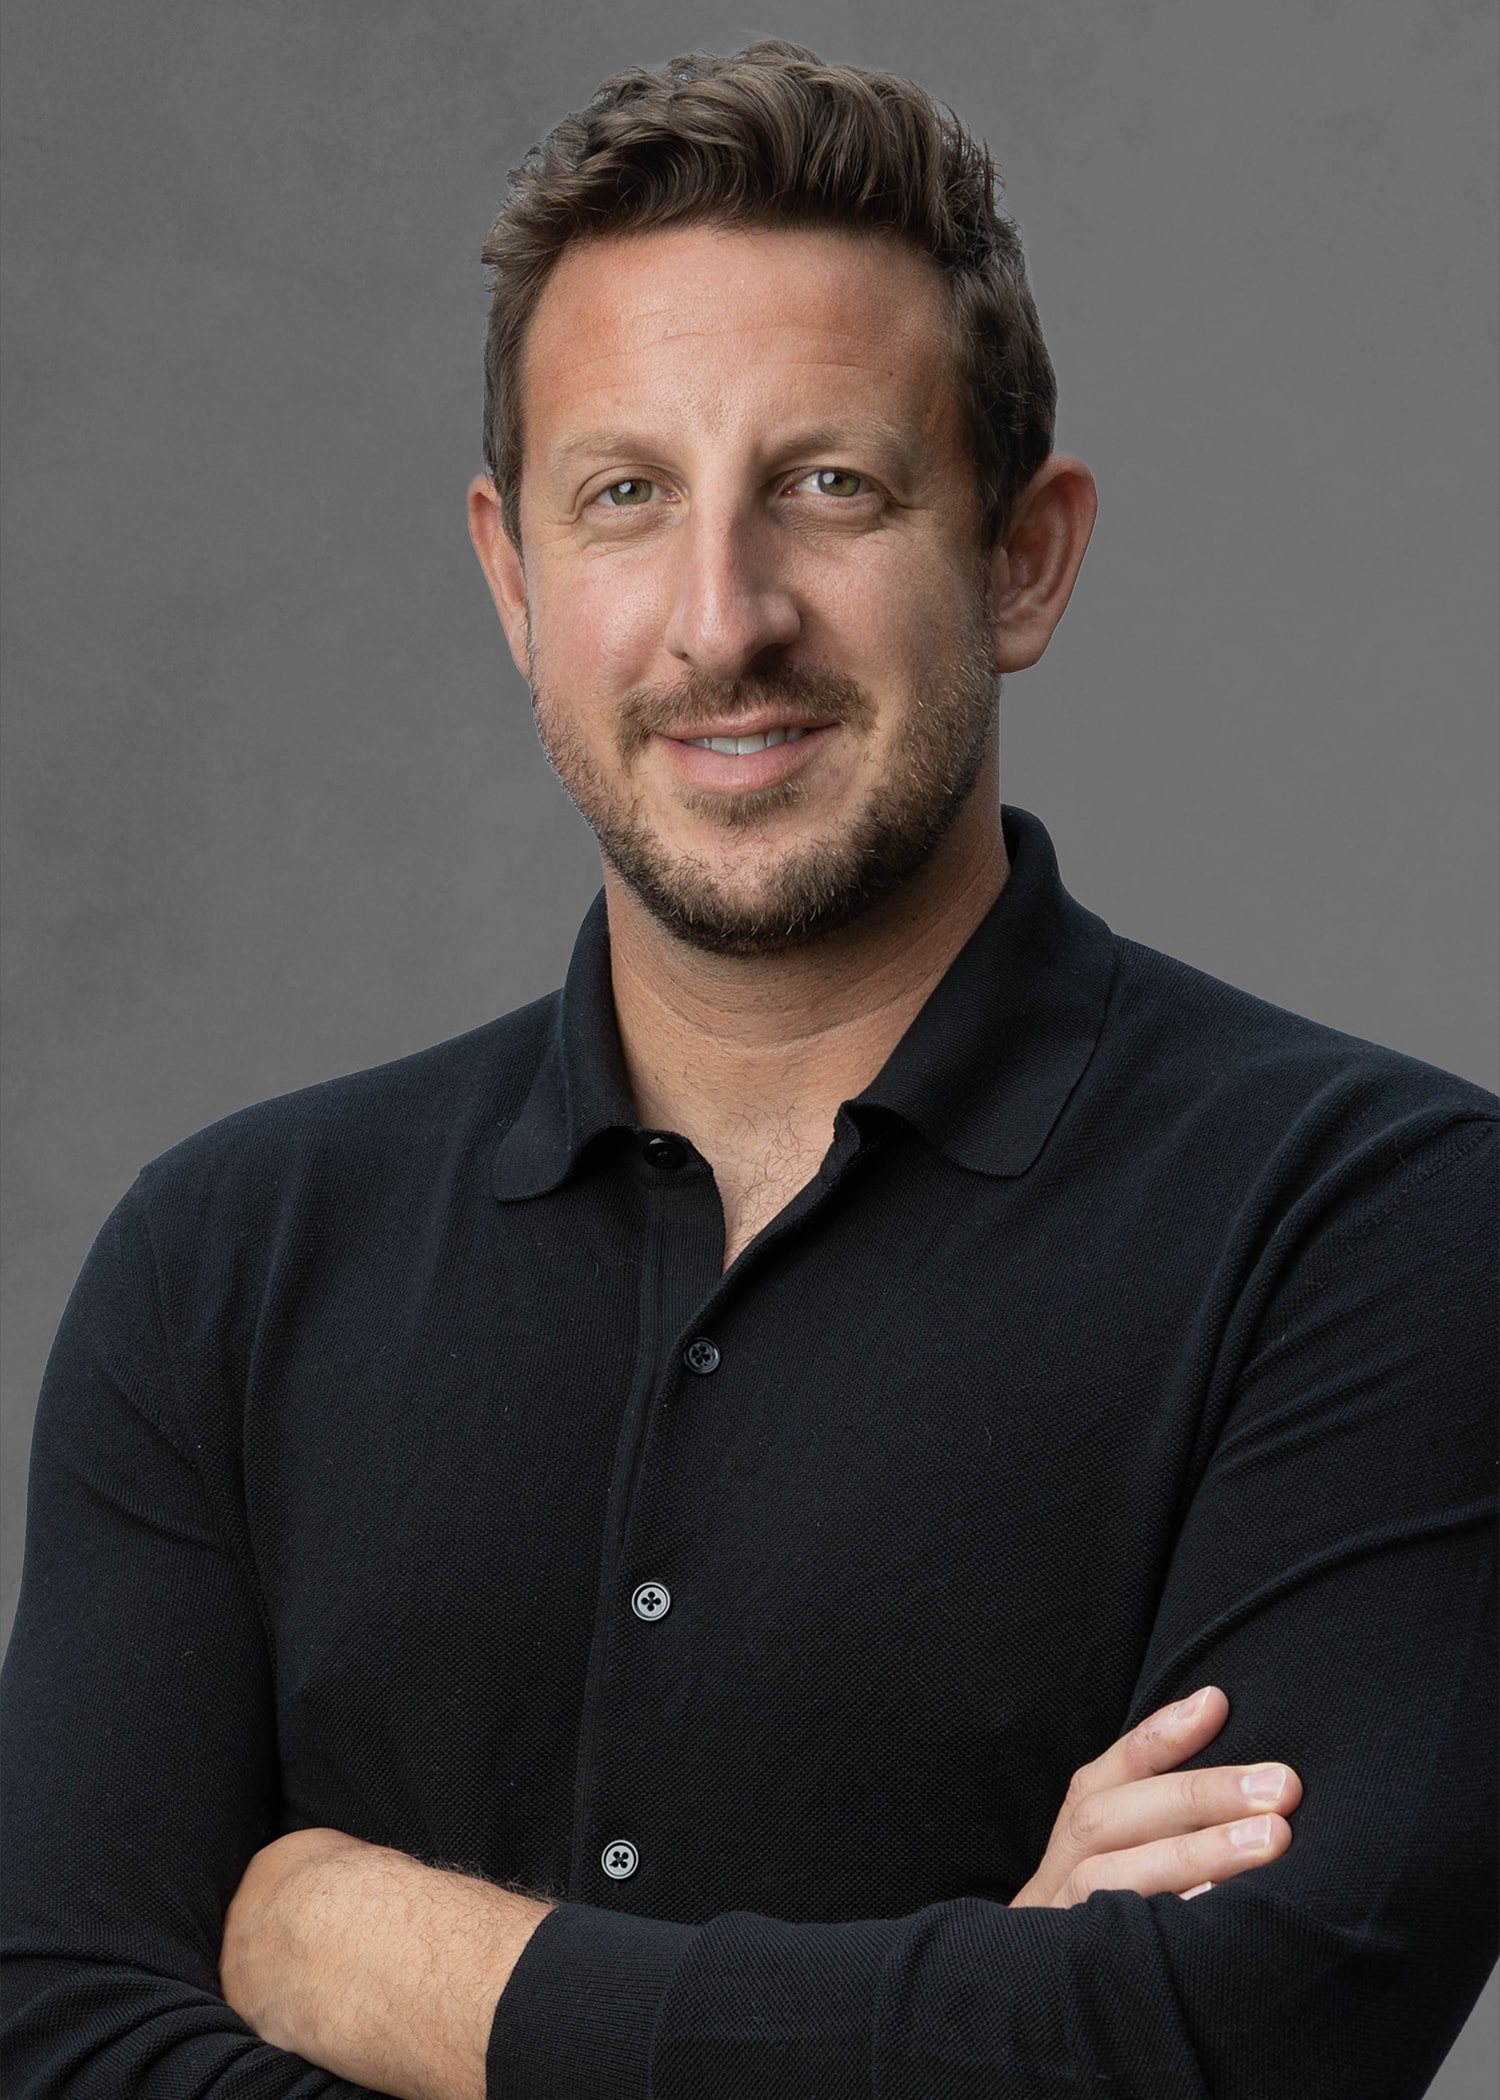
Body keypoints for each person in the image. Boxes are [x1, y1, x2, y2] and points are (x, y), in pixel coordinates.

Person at [2, 38, 1494, 2100]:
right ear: (514, 575)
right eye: (625, 496)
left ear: (1025, 556)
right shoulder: (223, 1264)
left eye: (830, 486)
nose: (724, 619)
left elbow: (1231, 2046)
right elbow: (51, 2037)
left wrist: (384, 1957)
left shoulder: (1386, 1227)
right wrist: (972, 2014)